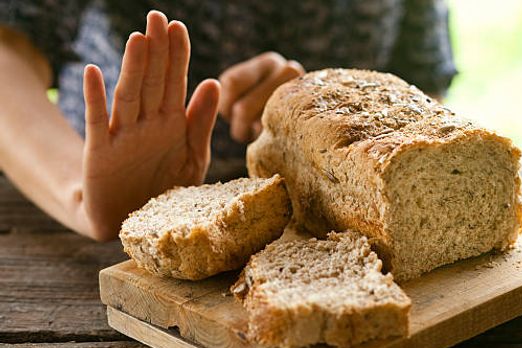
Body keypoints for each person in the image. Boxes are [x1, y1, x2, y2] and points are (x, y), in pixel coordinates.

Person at [0, 0, 456, 241]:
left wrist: (308, 120)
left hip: (325, 226)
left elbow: (419, 91)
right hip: (84, 210)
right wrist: (77, 191)